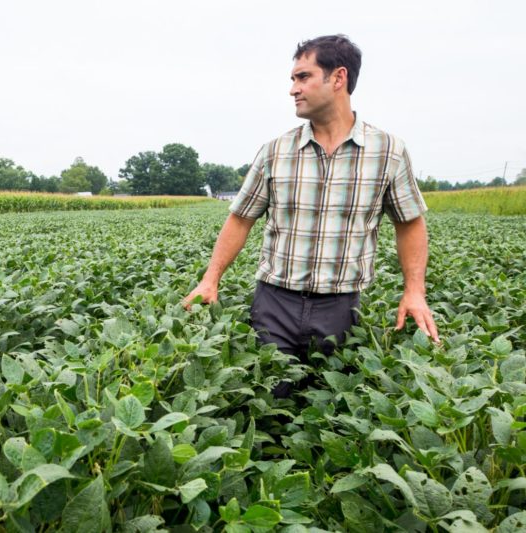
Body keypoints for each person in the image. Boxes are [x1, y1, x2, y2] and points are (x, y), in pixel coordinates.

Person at [183, 34, 439, 398]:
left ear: (338, 78)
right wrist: (210, 279)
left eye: (303, 77)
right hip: (274, 305)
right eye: (292, 79)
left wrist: (415, 291)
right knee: (270, 404)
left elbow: (409, 222)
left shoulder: (388, 152)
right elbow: (240, 218)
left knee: (330, 410)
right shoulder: (276, 151)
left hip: (341, 307)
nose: (293, 89)